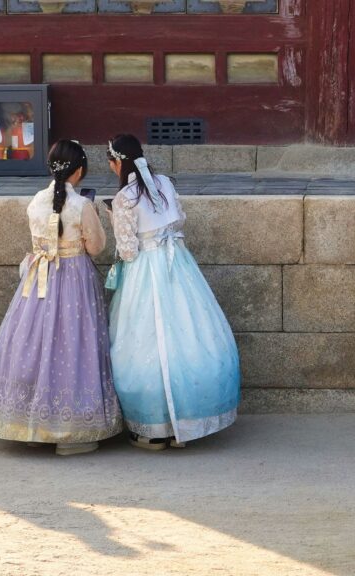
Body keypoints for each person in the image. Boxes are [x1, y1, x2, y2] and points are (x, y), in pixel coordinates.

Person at [0, 139, 123, 455]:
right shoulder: (82, 206)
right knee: (72, 345)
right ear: (80, 170)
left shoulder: (35, 202)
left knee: (36, 344)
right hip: (73, 280)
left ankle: (32, 424)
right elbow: (96, 246)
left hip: (38, 280)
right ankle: (70, 433)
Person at [105, 134, 240, 450]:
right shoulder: (163, 182)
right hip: (177, 263)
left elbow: (127, 250)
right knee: (189, 333)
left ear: (117, 163)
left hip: (144, 270)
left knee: (144, 338)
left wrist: (113, 218)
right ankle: (190, 423)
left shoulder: (124, 198)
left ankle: (154, 428)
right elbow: (179, 219)